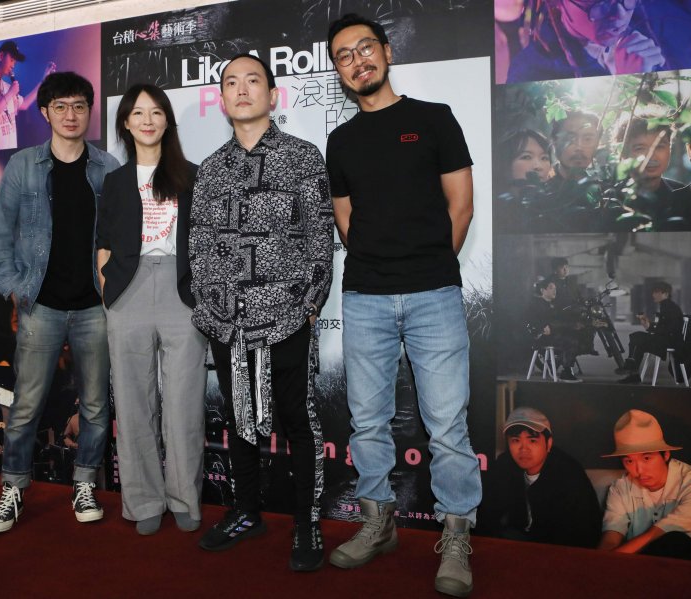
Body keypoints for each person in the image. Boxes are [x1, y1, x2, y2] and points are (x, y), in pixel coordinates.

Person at [325, 14, 480, 596]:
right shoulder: (341, 141)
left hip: (433, 293)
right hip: (364, 296)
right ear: (338, 71)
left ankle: (457, 536)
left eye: (365, 47)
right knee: (367, 421)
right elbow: (345, 219)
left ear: (387, 52)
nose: (357, 60)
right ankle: (378, 523)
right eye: (344, 55)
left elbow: (461, 205)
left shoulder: (434, 119)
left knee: (447, 426)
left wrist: (428, 266)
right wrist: (380, 263)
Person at [189, 53, 333, 571]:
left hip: (287, 318)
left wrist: (309, 306)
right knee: (239, 420)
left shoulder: (303, 157)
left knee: (298, 421)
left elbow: (321, 240)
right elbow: (198, 248)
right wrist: (211, 309)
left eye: (253, 80)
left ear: (272, 95)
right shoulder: (210, 170)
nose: (242, 89)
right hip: (227, 322)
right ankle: (246, 511)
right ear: (222, 99)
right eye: (231, 82)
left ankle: (307, 524)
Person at [0, 71, 120, 533]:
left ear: (89, 111)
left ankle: (84, 484)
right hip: (40, 306)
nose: (70, 114)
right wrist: (16, 290)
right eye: (60, 106)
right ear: (45, 112)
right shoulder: (23, 165)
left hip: (94, 307)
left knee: (95, 405)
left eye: (79, 106)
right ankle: (12, 489)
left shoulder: (108, 167)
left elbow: (120, 238)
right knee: (26, 405)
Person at [97, 83, 207, 535]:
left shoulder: (193, 175)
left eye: (156, 112)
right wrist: (108, 292)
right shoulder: (115, 182)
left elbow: (207, 242)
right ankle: (143, 501)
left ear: (167, 121)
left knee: (183, 403)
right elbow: (103, 243)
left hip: (182, 292)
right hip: (129, 291)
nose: (147, 120)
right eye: (138, 113)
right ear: (125, 123)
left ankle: (184, 498)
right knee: (133, 402)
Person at [599, 409, 691, 563]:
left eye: (646, 458)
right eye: (629, 461)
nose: (639, 470)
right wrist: (597, 565)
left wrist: (605, 563)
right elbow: (610, 540)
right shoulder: (620, 487)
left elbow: (655, 536)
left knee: (674, 541)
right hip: (638, 567)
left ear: (666, 455)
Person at [506, 0, 691, 83]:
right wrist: (631, 82)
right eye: (599, 3)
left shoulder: (669, 23)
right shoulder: (530, 70)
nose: (620, 15)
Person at [478, 407, 601, 548]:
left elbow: (583, 533)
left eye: (532, 441)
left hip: (560, 548)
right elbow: (485, 514)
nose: (523, 449)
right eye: (516, 440)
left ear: (549, 444)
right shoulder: (504, 465)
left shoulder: (569, 473)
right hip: (521, 542)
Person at [0, 40, 56, 152]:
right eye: (12, 59)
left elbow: (25, 104)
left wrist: (43, 81)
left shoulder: (7, 86)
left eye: (15, 61)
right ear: (1, 56)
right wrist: (9, 94)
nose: (13, 64)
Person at [613, 113, 682, 230]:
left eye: (659, 147)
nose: (651, 156)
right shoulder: (610, 199)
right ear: (623, 153)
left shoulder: (682, 195)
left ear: (670, 149)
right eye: (640, 148)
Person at [617, 281, 683, 384]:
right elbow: (663, 328)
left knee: (636, 337)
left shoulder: (669, 307)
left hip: (668, 342)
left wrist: (651, 327)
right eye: (653, 292)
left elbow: (669, 330)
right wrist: (648, 325)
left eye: (657, 292)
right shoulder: (667, 306)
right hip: (666, 339)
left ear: (666, 294)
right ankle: (633, 372)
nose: (653, 295)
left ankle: (631, 368)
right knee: (637, 341)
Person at [526, 279, 581, 382]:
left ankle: (558, 366)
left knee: (576, 337)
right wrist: (541, 326)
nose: (554, 291)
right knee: (571, 341)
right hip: (542, 338)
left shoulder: (554, 305)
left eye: (555, 288)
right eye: (551, 288)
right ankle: (566, 372)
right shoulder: (536, 304)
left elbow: (560, 321)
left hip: (554, 335)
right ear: (543, 290)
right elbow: (529, 319)